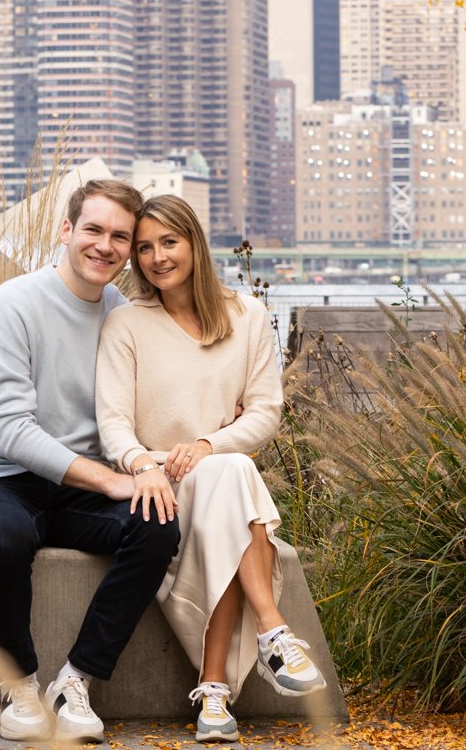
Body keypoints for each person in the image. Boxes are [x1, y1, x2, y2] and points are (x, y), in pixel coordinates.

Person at [0, 178, 180, 744]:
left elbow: (152, 395)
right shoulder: (15, 303)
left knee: (158, 524)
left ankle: (76, 682)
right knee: (2, 539)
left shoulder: (122, 313)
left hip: (75, 490)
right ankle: (21, 684)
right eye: (93, 229)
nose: (106, 246)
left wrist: (220, 418)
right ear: (66, 231)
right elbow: (6, 428)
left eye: (121, 236)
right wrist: (109, 480)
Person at [95, 194, 325, 744]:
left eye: (168, 242)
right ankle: (272, 635)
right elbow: (113, 426)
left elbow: (266, 410)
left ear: (194, 243)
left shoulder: (245, 315)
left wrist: (208, 443)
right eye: (144, 247)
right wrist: (143, 463)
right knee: (237, 475)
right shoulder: (126, 324)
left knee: (230, 475)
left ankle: (215, 691)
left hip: (218, 473)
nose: (156, 258)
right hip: (157, 484)